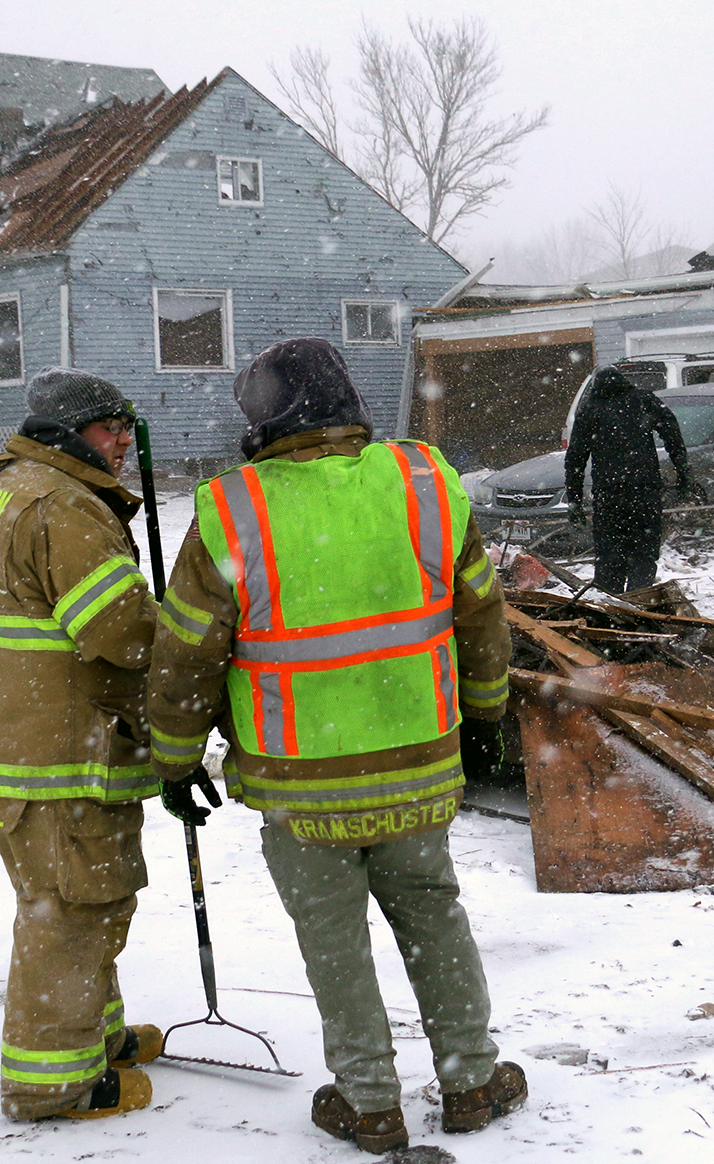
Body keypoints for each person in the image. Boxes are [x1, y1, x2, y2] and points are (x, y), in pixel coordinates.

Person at [145, 338, 522, 1156]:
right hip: (419, 765)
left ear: (261, 418)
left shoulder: (232, 509)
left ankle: (370, 1102)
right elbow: (483, 617)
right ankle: (469, 1080)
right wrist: (487, 718)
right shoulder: (426, 483)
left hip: (298, 783)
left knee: (334, 940)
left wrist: (174, 760)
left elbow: (186, 655)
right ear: (348, 400)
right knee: (433, 916)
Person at [0, 367, 164, 1121]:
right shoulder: (63, 506)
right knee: (72, 909)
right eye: (109, 430)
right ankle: (53, 1085)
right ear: (74, 430)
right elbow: (122, 630)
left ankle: (93, 1038)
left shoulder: (13, 485)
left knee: (85, 900)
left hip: (18, 742)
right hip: (59, 754)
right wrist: (187, 636)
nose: (119, 445)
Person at [563, 366, 697, 595]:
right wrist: (684, 474)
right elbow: (672, 434)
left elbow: (575, 459)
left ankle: (611, 604)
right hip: (644, 490)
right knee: (643, 553)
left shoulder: (590, 410)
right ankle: (639, 600)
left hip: (609, 494)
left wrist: (574, 500)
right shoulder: (644, 401)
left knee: (609, 554)